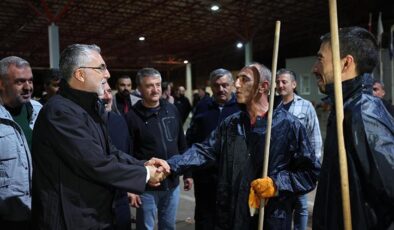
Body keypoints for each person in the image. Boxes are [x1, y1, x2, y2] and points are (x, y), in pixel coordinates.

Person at [167, 63, 320, 230]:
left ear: (263, 87)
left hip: (269, 217)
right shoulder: (231, 124)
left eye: (244, 79)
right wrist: (171, 165)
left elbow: (309, 172)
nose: (237, 84)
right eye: (237, 79)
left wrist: (277, 184)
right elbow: (204, 151)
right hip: (232, 217)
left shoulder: (289, 125)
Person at [31, 44, 169, 229]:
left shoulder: (90, 107)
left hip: (93, 213)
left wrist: (142, 164)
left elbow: (109, 151)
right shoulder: (60, 112)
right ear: (80, 74)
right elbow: (94, 163)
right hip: (70, 219)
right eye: (101, 68)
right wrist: (145, 174)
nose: (108, 74)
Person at [312, 27, 394, 230]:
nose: (315, 68)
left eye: (321, 59)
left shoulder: (362, 112)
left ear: (346, 63)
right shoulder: (345, 108)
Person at [125, 68, 193, 230]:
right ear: (139, 89)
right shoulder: (131, 117)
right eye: (149, 86)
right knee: (145, 226)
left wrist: (188, 173)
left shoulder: (171, 109)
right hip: (148, 186)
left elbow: (181, 143)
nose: (155, 90)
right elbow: (127, 153)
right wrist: (132, 186)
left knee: (168, 226)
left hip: (172, 182)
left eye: (157, 85)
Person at [186, 68, 240, 230]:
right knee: (205, 217)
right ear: (211, 86)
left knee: (230, 218)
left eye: (225, 85)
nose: (221, 89)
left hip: (232, 177)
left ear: (232, 86)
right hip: (205, 176)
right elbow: (191, 139)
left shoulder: (241, 107)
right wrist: (189, 172)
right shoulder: (202, 107)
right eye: (216, 86)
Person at [275, 68, 322, 230]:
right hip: (282, 165)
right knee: (283, 204)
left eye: (284, 82)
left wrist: (313, 166)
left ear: (294, 84)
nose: (280, 85)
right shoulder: (275, 109)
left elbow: (314, 136)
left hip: (300, 164)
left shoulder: (306, 106)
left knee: (301, 204)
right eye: (278, 82)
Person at [0, 56, 42, 229]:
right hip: (8, 218)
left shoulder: (39, 110)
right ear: (1, 84)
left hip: (41, 210)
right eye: (20, 81)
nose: (28, 87)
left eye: (30, 81)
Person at [101, 82, 133, 230]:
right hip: (95, 203)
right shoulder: (80, 125)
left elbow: (127, 154)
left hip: (120, 197)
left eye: (109, 91)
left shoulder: (118, 121)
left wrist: (132, 185)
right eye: (101, 92)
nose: (107, 97)